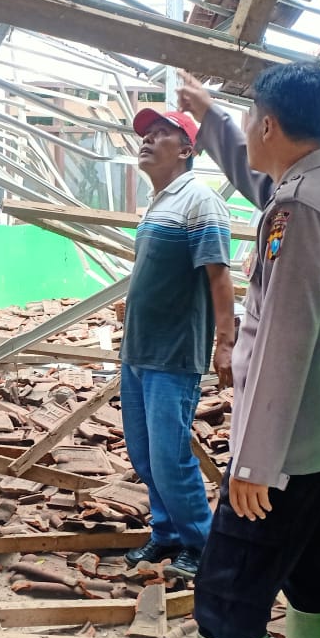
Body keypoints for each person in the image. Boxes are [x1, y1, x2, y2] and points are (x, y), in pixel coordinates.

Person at [153, 65, 320, 638]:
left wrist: (254, 464)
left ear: (269, 125)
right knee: (311, 579)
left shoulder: (298, 213)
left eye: (248, 121)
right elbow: (262, 182)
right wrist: (211, 118)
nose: (246, 131)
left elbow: (283, 344)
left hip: (284, 457)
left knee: (225, 597)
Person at [120, 107, 237, 580]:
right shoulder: (160, 202)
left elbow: (219, 276)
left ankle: (200, 542)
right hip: (139, 351)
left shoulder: (199, 201)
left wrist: (225, 343)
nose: (147, 140)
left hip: (174, 354)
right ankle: (166, 533)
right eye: (145, 134)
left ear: (187, 150)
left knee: (170, 456)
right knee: (145, 453)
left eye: (161, 134)